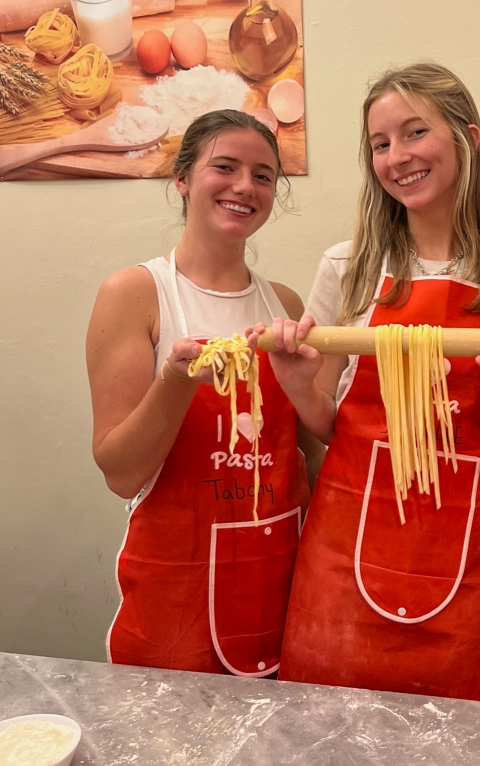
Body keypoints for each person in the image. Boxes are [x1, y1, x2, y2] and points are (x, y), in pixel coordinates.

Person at [258, 63, 480, 703]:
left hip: (463, 557)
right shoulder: (349, 267)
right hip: (342, 552)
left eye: (414, 132)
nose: (397, 157)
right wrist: (300, 383)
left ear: (467, 140)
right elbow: (327, 423)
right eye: (380, 144)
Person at [87, 109, 316, 676]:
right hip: (174, 601)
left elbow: (307, 460)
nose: (245, 186)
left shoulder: (284, 306)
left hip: (280, 591)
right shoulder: (136, 293)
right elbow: (121, 471)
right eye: (225, 167)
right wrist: (176, 381)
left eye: (264, 175)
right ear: (183, 179)